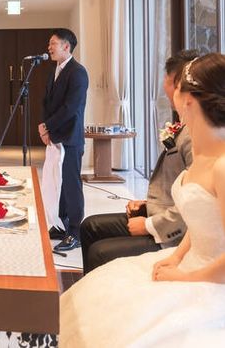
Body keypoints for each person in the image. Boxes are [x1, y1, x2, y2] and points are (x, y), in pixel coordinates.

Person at [59, 53, 225, 347]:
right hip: (187, 259)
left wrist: (184, 277)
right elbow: (202, 223)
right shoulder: (202, 152)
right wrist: (176, 258)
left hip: (209, 282)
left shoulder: (221, 165)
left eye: (175, 85)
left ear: (187, 99)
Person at [80, 50, 198, 273]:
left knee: (99, 251)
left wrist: (149, 226)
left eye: (166, 79)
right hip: (158, 212)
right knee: (90, 227)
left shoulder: (197, 136)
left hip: (174, 233)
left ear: (178, 84)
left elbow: (195, 204)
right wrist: (146, 205)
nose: (163, 86)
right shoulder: (185, 127)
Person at [39, 28, 89, 252]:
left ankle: (75, 232)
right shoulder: (56, 70)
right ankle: (61, 224)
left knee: (71, 185)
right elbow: (47, 102)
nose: (49, 47)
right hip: (55, 135)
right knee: (58, 183)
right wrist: (45, 126)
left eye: (53, 43)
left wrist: (48, 126)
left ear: (66, 46)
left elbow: (71, 108)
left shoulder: (78, 72)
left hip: (70, 137)